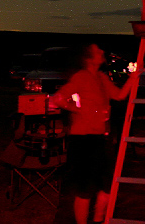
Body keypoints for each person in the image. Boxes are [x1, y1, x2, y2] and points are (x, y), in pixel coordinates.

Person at [51, 43, 139, 224]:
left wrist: (135, 76)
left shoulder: (101, 77)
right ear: (88, 58)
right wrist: (76, 110)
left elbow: (120, 95)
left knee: (107, 184)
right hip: (83, 140)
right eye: (97, 51)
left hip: (101, 138)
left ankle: (99, 219)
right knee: (85, 188)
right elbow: (57, 98)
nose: (102, 52)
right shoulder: (81, 77)